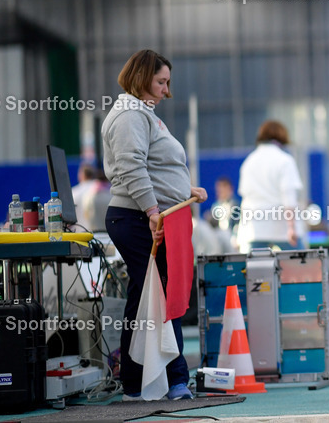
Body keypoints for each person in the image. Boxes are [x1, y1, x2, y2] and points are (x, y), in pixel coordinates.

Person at [102, 49, 208, 401]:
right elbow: (130, 166)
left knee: (144, 297)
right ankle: (175, 379)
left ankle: (135, 384)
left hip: (146, 214)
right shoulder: (131, 114)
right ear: (143, 78)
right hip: (138, 217)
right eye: (161, 82)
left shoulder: (141, 114)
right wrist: (151, 211)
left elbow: (148, 166)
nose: (166, 90)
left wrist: (182, 190)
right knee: (165, 294)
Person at [236, 120, 307, 253]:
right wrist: (292, 227)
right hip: (281, 226)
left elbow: (245, 195)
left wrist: (240, 235)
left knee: (253, 272)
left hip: (254, 227)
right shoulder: (285, 160)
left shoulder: (249, 162)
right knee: (299, 269)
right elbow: (288, 196)